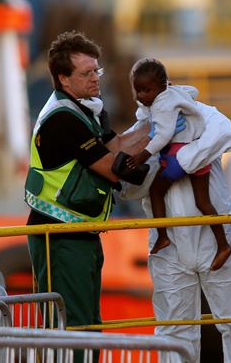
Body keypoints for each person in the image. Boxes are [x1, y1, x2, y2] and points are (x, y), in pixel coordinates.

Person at [23, 31, 148, 340]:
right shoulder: (63, 119)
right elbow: (112, 167)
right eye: (86, 73)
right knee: (72, 327)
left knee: (90, 323)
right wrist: (153, 153)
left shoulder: (86, 109)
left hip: (80, 232)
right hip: (57, 235)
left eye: (97, 71)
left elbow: (117, 143)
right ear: (64, 79)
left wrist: (157, 123)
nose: (96, 79)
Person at [121, 100, 231, 363]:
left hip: (210, 238)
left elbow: (225, 136)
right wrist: (152, 150)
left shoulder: (204, 115)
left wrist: (179, 162)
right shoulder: (143, 129)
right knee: (175, 328)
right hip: (170, 244)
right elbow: (127, 187)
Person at [124, 58, 231, 270]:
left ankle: (162, 236)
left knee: (156, 191)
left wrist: (143, 155)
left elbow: (163, 136)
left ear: (163, 86)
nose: (142, 96)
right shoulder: (175, 95)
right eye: (138, 91)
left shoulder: (162, 104)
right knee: (204, 203)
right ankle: (223, 245)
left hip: (176, 157)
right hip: (194, 156)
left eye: (147, 90)